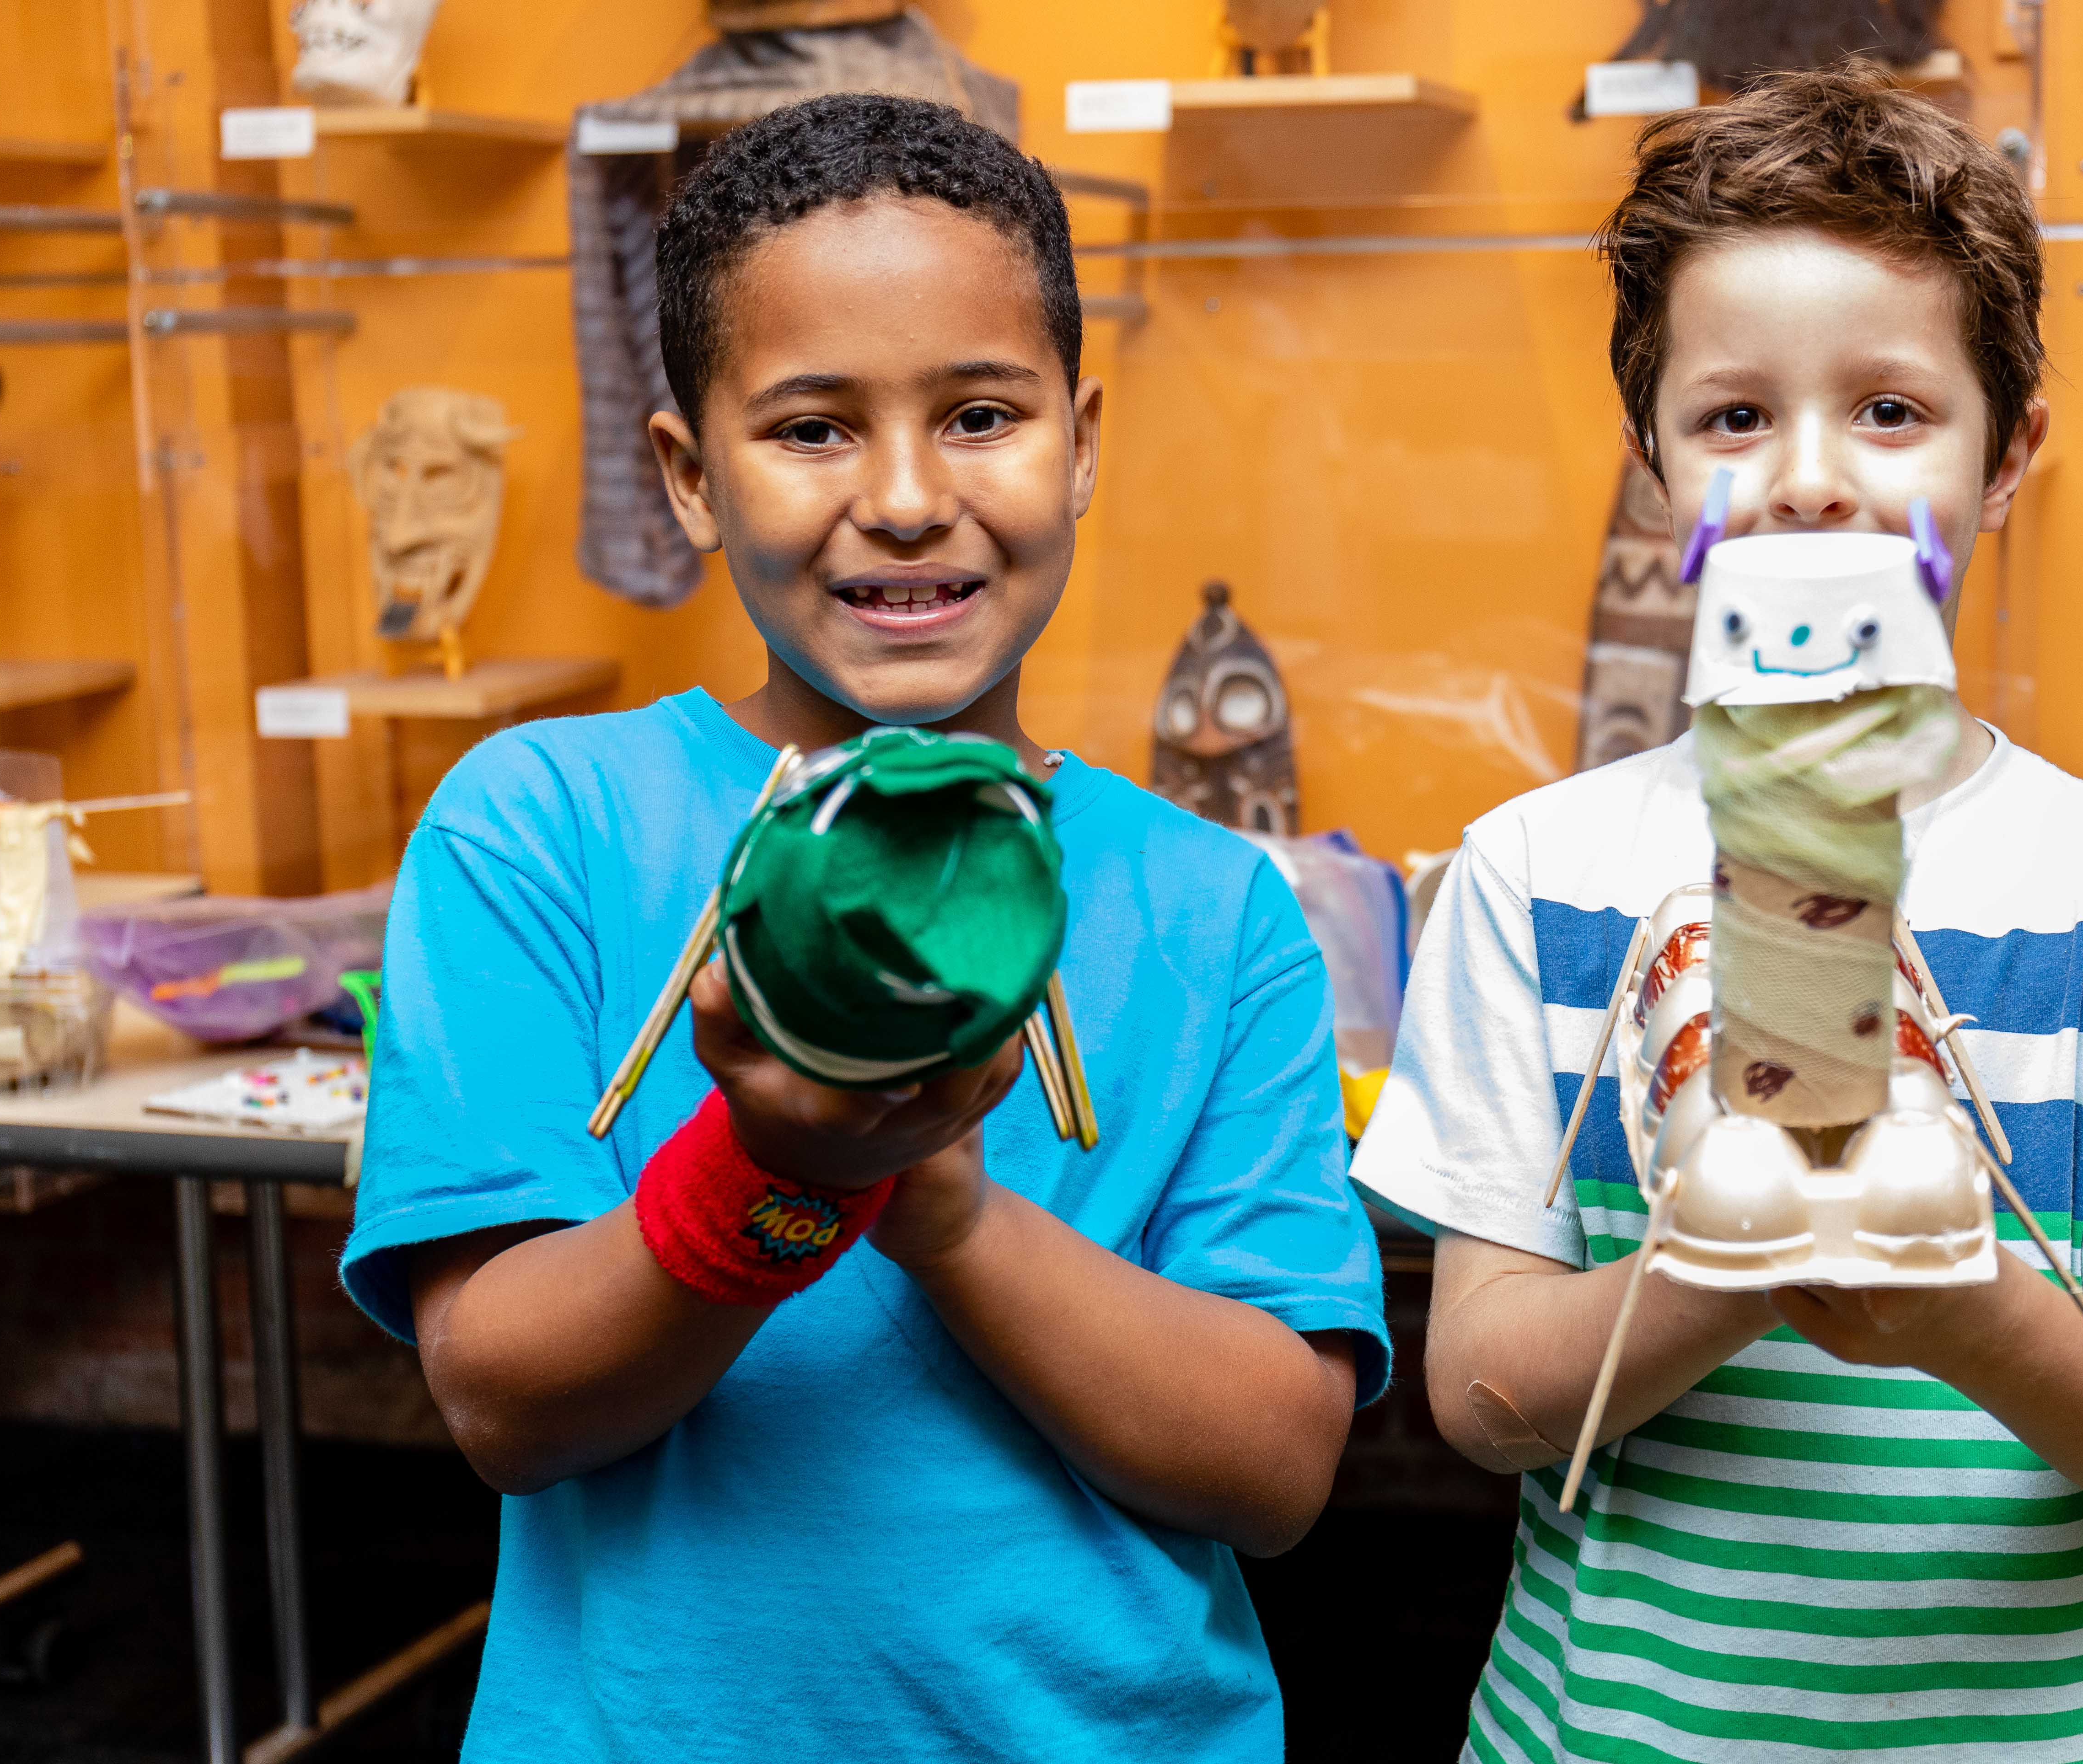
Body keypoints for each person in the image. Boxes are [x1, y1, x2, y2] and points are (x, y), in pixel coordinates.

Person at [338, 92, 1388, 1762]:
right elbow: (502, 1403)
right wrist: (774, 1170)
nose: (904, 498)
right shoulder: (538, 824)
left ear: (1083, 440)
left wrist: (945, 1209)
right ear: (688, 473)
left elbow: (1271, 1472)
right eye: (813, 427)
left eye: (979, 413)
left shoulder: (1216, 908)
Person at [1352, 65, 2083, 1764]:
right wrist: (1716, 1269)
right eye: (1732, 418)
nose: (1806, 481)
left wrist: (1964, 1306)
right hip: (1612, 1733)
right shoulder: (1534, 874)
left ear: (2006, 455)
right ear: (1650, 467)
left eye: (1887, 410)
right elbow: (1480, 1397)